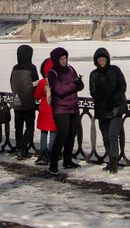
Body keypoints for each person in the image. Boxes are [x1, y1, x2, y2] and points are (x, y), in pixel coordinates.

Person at [46, 46, 84, 175]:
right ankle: (53, 164)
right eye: (61, 59)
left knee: (72, 134)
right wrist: (74, 84)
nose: (64, 61)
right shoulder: (52, 73)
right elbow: (60, 90)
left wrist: (79, 82)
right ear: (56, 60)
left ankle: (68, 160)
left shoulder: (71, 69)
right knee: (62, 135)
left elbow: (80, 87)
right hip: (60, 108)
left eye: (65, 58)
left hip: (73, 107)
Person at [90, 46, 127, 174]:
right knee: (106, 137)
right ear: (96, 61)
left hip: (116, 109)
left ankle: (114, 162)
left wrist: (114, 97)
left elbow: (122, 86)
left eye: (104, 60)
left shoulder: (115, 70)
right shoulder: (94, 74)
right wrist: (104, 95)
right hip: (102, 111)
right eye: (99, 60)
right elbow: (93, 92)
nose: (102, 62)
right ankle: (110, 161)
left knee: (112, 135)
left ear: (107, 60)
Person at [9, 43, 38, 160]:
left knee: (18, 128)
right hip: (29, 102)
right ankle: (22, 148)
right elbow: (36, 83)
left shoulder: (15, 68)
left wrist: (17, 92)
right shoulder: (32, 68)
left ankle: (19, 149)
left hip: (17, 102)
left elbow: (12, 83)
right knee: (30, 127)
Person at [33, 56, 56, 165]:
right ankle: (51, 153)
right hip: (54, 111)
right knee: (53, 132)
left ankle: (42, 152)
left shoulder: (42, 82)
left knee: (43, 132)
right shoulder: (57, 82)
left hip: (43, 112)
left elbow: (36, 96)